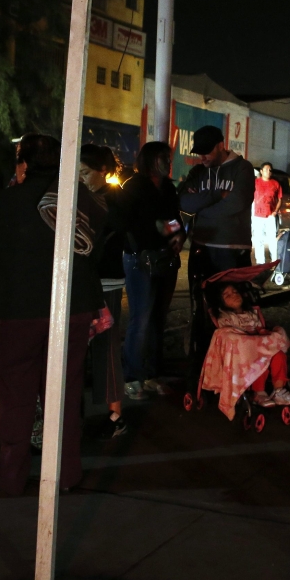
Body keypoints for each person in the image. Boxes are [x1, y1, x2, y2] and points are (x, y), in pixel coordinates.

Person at [0, 133, 107, 496]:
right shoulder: (80, 199)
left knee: (16, 394)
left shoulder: (7, 200)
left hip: (16, 307)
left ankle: (10, 476)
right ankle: (65, 474)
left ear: (24, 161)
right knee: (63, 393)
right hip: (71, 305)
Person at [117, 141, 184, 400]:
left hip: (166, 259)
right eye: (164, 159)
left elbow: (174, 220)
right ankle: (133, 378)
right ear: (150, 161)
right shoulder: (133, 187)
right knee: (140, 320)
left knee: (158, 320)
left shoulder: (168, 188)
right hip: (139, 260)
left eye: (169, 158)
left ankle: (153, 374)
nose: (169, 163)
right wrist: (159, 229)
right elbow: (126, 224)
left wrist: (179, 235)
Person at [80, 144, 129, 437]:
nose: (81, 178)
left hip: (106, 281)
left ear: (103, 172)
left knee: (106, 345)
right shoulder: (94, 197)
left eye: (86, 172)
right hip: (89, 280)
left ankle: (115, 415)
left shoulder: (112, 200)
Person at [198, 281, 290, 417]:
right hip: (244, 353)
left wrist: (263, 333)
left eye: (235, 292)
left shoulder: (252, 314)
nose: (233, 296)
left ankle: (279, 390)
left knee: (278, 354)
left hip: (259, 346)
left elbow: (260, 328)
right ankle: (258, 392)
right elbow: (227, 335)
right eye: (227, 295)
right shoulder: (224, 317)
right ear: (221, 302)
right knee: (258, 359)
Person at [180, 125, 256, 275]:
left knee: (231, 297)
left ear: (220, 146)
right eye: (199, 153)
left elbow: (237, 203)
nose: (202, 158)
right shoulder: (197, 171)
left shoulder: (243, 168)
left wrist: (200, 208)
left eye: (206, 152)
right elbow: (184, 203)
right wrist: (218, 195)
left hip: (233, 249)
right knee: (199, 297)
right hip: (201, 247)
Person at [251, 162, 282, 264]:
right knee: (259, 239)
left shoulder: (276, 184)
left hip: (270, 216)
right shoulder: (255, 182)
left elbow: (280, 199)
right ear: (261, 171)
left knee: (272, 239)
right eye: (266, 169)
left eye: (270, 170)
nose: (269, 172)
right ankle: (260, 262)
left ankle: (274, 261)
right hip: (257, 216)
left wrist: (275, 211)